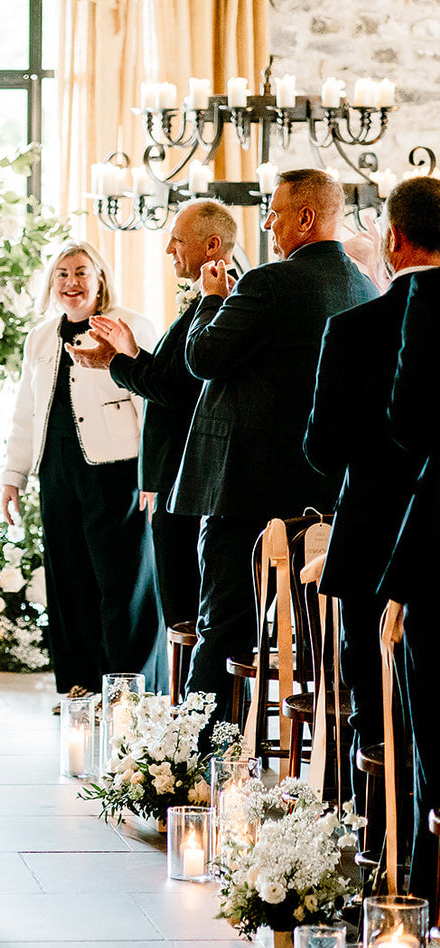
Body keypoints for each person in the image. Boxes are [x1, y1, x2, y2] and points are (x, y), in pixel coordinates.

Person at [169, 169, 377, 739]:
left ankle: (197, 759)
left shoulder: (266, 284)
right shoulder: (363, 287)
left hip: (245, 493)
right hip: (321, 500)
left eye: (276, 212)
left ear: (306, 218)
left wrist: (211, 300)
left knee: (224, 625)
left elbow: (204, 358)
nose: (267, 222)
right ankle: (312, 765)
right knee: (314, 636)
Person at [307, 177, 440, 811]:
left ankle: (377, 850)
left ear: (393, 237)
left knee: (376, 713)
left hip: (368, 545)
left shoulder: (353, 328)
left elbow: (322, 451)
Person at [0, 241, 161, 697]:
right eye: (62, 274)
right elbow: (26, 411)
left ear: (100, 279)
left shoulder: (130, 326)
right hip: (57, 471)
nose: (72, 283)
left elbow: (150, 404)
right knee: (68, 582)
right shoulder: (41, 337)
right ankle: (79, 689)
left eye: (81, 273)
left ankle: (129, 690)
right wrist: (13, 476)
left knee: (123, 585)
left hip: (118, 473)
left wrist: (153, 474)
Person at [70, 202, 238, 634]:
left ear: (212, 245)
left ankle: (194, 700)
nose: (168, 249)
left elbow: (176, 391)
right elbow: (172, 377)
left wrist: (117, 361)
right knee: (179, 606)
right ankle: (187, 698)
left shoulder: (222, 306)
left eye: (178, 240)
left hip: (189, 477)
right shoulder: (205, 304)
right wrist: (128, 354)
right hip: (176, 477)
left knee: (185, 609)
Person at [381, 182, 440, 904]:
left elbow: (409, 424)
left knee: (428, 724)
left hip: (429, 545)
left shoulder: (421, 308)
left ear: (396, 239)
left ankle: (422, 896)